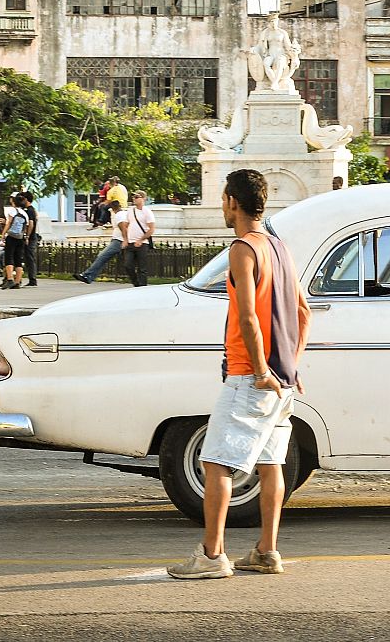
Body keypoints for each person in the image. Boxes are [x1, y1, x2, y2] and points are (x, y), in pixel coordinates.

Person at [167, 169, 311, 580]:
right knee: (270, 466)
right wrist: (288, 366)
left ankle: (211, 557)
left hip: (251, 376)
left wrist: (263, 369)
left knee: (215, 464)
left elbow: (248, 317)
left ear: (232, 200)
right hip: (281, 381)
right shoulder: (279, 248)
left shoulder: (243, 250)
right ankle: (267, 551)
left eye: (223, 199)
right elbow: (303, 313)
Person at [74, 201, 125, 284]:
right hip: (118, 239)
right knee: (127, 262)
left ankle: (87, 275)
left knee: (102, 256)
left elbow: (123, 227)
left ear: (112, 209)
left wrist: (125, 239)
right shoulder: (121, 214)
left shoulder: (119, 215)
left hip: (119, 240)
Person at [121, 190, 155, 287]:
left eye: (137, 197)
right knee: (128, 265)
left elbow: (151, 229)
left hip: (142, 243)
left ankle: (142, 286)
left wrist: (141, 240)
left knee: (142, 268)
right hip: (131, 242)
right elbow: (125, 225)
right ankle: (136, 283)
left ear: (143, 198)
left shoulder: (147, 211)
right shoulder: (131, 211)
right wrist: (125, 239)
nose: (134, 199)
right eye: (133, 197)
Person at [1, 193, 31, 290]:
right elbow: (26, 226)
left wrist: (3, 234)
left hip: (11, 237)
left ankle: (10, 279)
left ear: (14, 202)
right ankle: (18, 282)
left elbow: (9, 223)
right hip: (20, 238)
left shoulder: (12, 211)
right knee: (19, 259)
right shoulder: (25, 214)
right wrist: (26, 237)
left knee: (9, 257)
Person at [20, 192, 40, 287]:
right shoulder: (29, 210)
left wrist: (27, 236)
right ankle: (30, 278)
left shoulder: (30, 210)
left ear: (26, 200)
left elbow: (31, 224)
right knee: (28, 258)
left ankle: (32, 279)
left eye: (22, 199)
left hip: (31, 238)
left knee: (30, 258)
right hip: (29, 237)